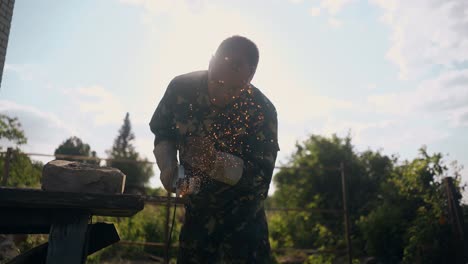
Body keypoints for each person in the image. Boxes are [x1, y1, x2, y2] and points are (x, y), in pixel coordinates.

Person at [150, 35, 280, 263]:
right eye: (216, 83)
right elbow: (163, 131)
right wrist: (168, 166)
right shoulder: (182, 88)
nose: (220, 94)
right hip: (196, 224)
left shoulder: (262, 111)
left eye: (232, 88)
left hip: (243, 230)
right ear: (210, 63)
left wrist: (215, 163)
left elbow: (261, 179)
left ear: (249, 77)